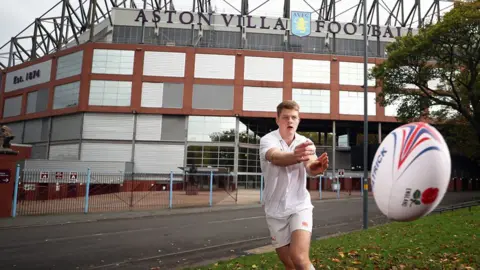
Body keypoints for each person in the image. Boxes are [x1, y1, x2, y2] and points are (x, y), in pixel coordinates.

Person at [259, 100, 329, 270]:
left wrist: (316, 167)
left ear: (298, 120)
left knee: (299, 257)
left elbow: (310, 165)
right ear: (277, 120)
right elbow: (275, 157)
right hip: (274, 210)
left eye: (293, 117)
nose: (289, 121)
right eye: (285, 117)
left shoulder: (306, 143)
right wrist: (295, 156)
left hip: (299, 206)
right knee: (290, 265)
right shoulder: (268, 140)